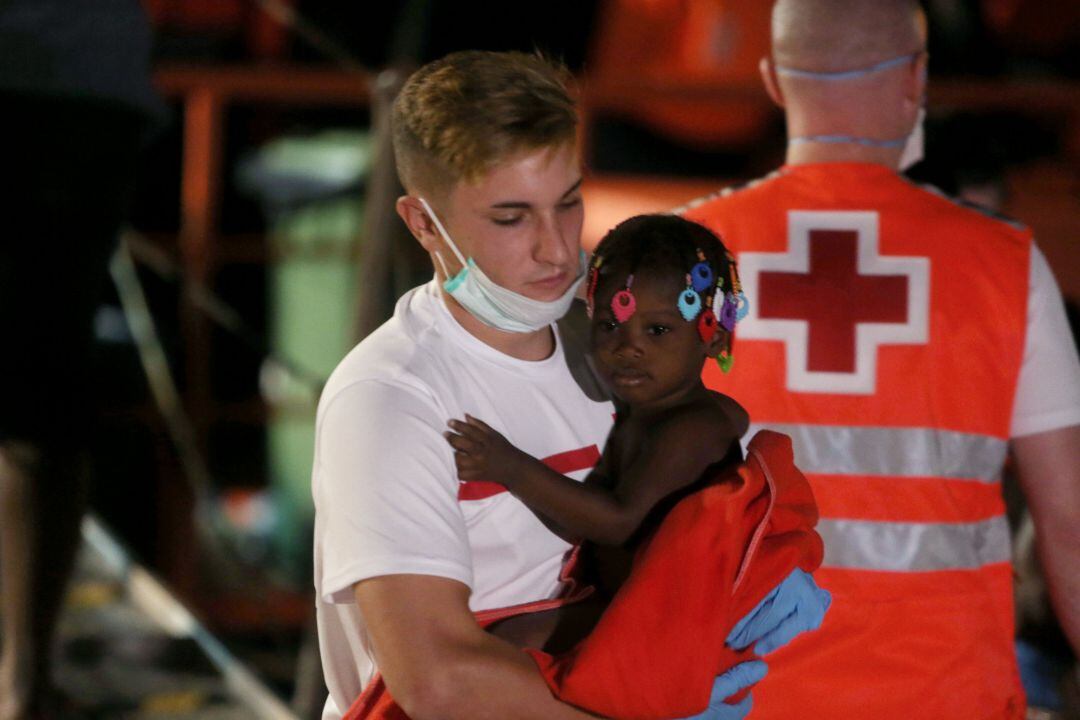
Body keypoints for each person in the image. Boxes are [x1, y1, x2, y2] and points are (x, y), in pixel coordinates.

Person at [312, 51, 830, 720]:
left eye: (568, 202)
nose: (557, 250)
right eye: (511, 218)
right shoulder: (392, 398)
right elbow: (439, 683)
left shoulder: (615, 347)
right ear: (422, 224)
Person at [679, 1, 1080, 717]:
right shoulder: (1006, 266)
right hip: (944, 695)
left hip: (738, 696)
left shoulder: (679, 258)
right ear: (915, 79)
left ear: (773, 81)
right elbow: (1069, 525)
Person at [443, 214, 826, 719]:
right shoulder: (643, 416)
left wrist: (508, 465)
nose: (628, 346)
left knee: (501, 648)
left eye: (659, 329)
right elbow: (588, 519)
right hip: (628, 609)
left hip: (668, 629)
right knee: (500, 643)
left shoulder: (691, 429)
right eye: (609, 324)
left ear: (714, 338)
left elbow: (615, 520)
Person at [0, 2, 163, 719]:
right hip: (85, 81)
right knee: (46, 386)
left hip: (73, 86)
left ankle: (22, 683)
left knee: (44, 394)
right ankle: (22, 684)